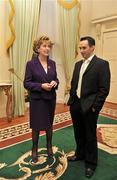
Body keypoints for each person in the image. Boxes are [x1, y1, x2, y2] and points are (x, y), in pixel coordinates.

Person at [67, 36, 110, 178]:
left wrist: (95, 107)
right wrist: (72, 100)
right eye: (80, 48)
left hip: (90, 106)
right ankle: (80, 154)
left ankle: (91, 163)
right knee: (78, 132)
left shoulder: (102, 64)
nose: (81, 50)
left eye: (84, 48)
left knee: (90, 135)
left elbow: (104, 89)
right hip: (76, 104)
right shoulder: (78, 64)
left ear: (92, 47)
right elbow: (74, 83)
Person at [24, 35, 59, 164]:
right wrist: (41, 86)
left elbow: (56, 79)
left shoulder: (52, 63)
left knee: (49, 125)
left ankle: (49, 146)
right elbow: (26, 83)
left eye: (49, 46)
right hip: (37, 100)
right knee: (37, 126)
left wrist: (55, 82)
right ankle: (34, 149)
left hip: (50, 99)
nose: (47, 48)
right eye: (44, 46)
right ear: (37, 48)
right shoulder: (30, 64)